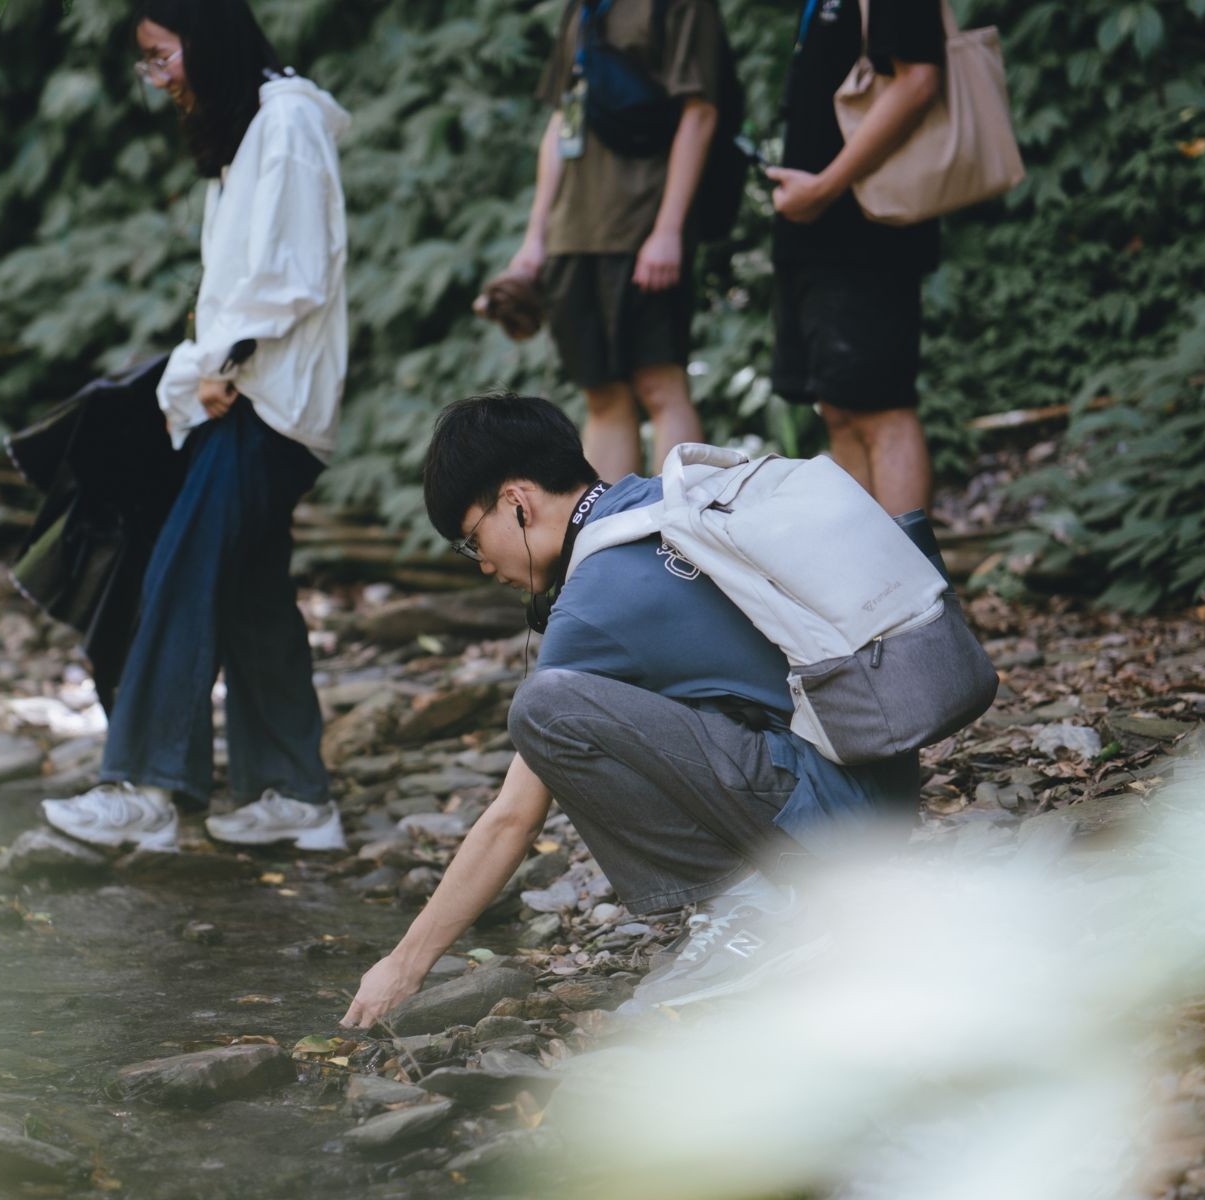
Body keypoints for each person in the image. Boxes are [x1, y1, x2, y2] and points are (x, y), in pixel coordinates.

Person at [340, 393, 920, 1028]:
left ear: (517, 501)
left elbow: (513, 819)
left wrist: (405, 965)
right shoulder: (664, 503)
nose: (481, 564)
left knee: (544, 710)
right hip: (884, 789)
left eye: (472, 539)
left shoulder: (594, 600)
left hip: (835, 822)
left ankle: (758, 909)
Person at [40, 0, 351, 854]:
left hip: (257, 397)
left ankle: (144, 787)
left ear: (205, 41)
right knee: (251, 595)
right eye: (146, 61)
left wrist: (209, 365)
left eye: (161, 54)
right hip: (253, 391)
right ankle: (297, 797)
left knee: (182, 576)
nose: (157, 77)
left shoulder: (285, 124)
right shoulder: (261, 124)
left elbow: (288, 278)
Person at [486, 0, 727, 483]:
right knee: (600, 393)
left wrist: (668, 229)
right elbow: (563, 117)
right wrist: (536, 238)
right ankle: (612, 528)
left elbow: (700, 112)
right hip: (573, 233)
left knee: (660, 385)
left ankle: (682, 527)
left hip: (643, 226)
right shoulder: (582, 7)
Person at [765, 0, 944, 516]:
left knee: (881, 410)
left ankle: (912, 569)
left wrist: (826, 186)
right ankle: (867, 566)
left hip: (869, 226)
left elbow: (919, 80)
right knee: (840, 411)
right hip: (817, 229)